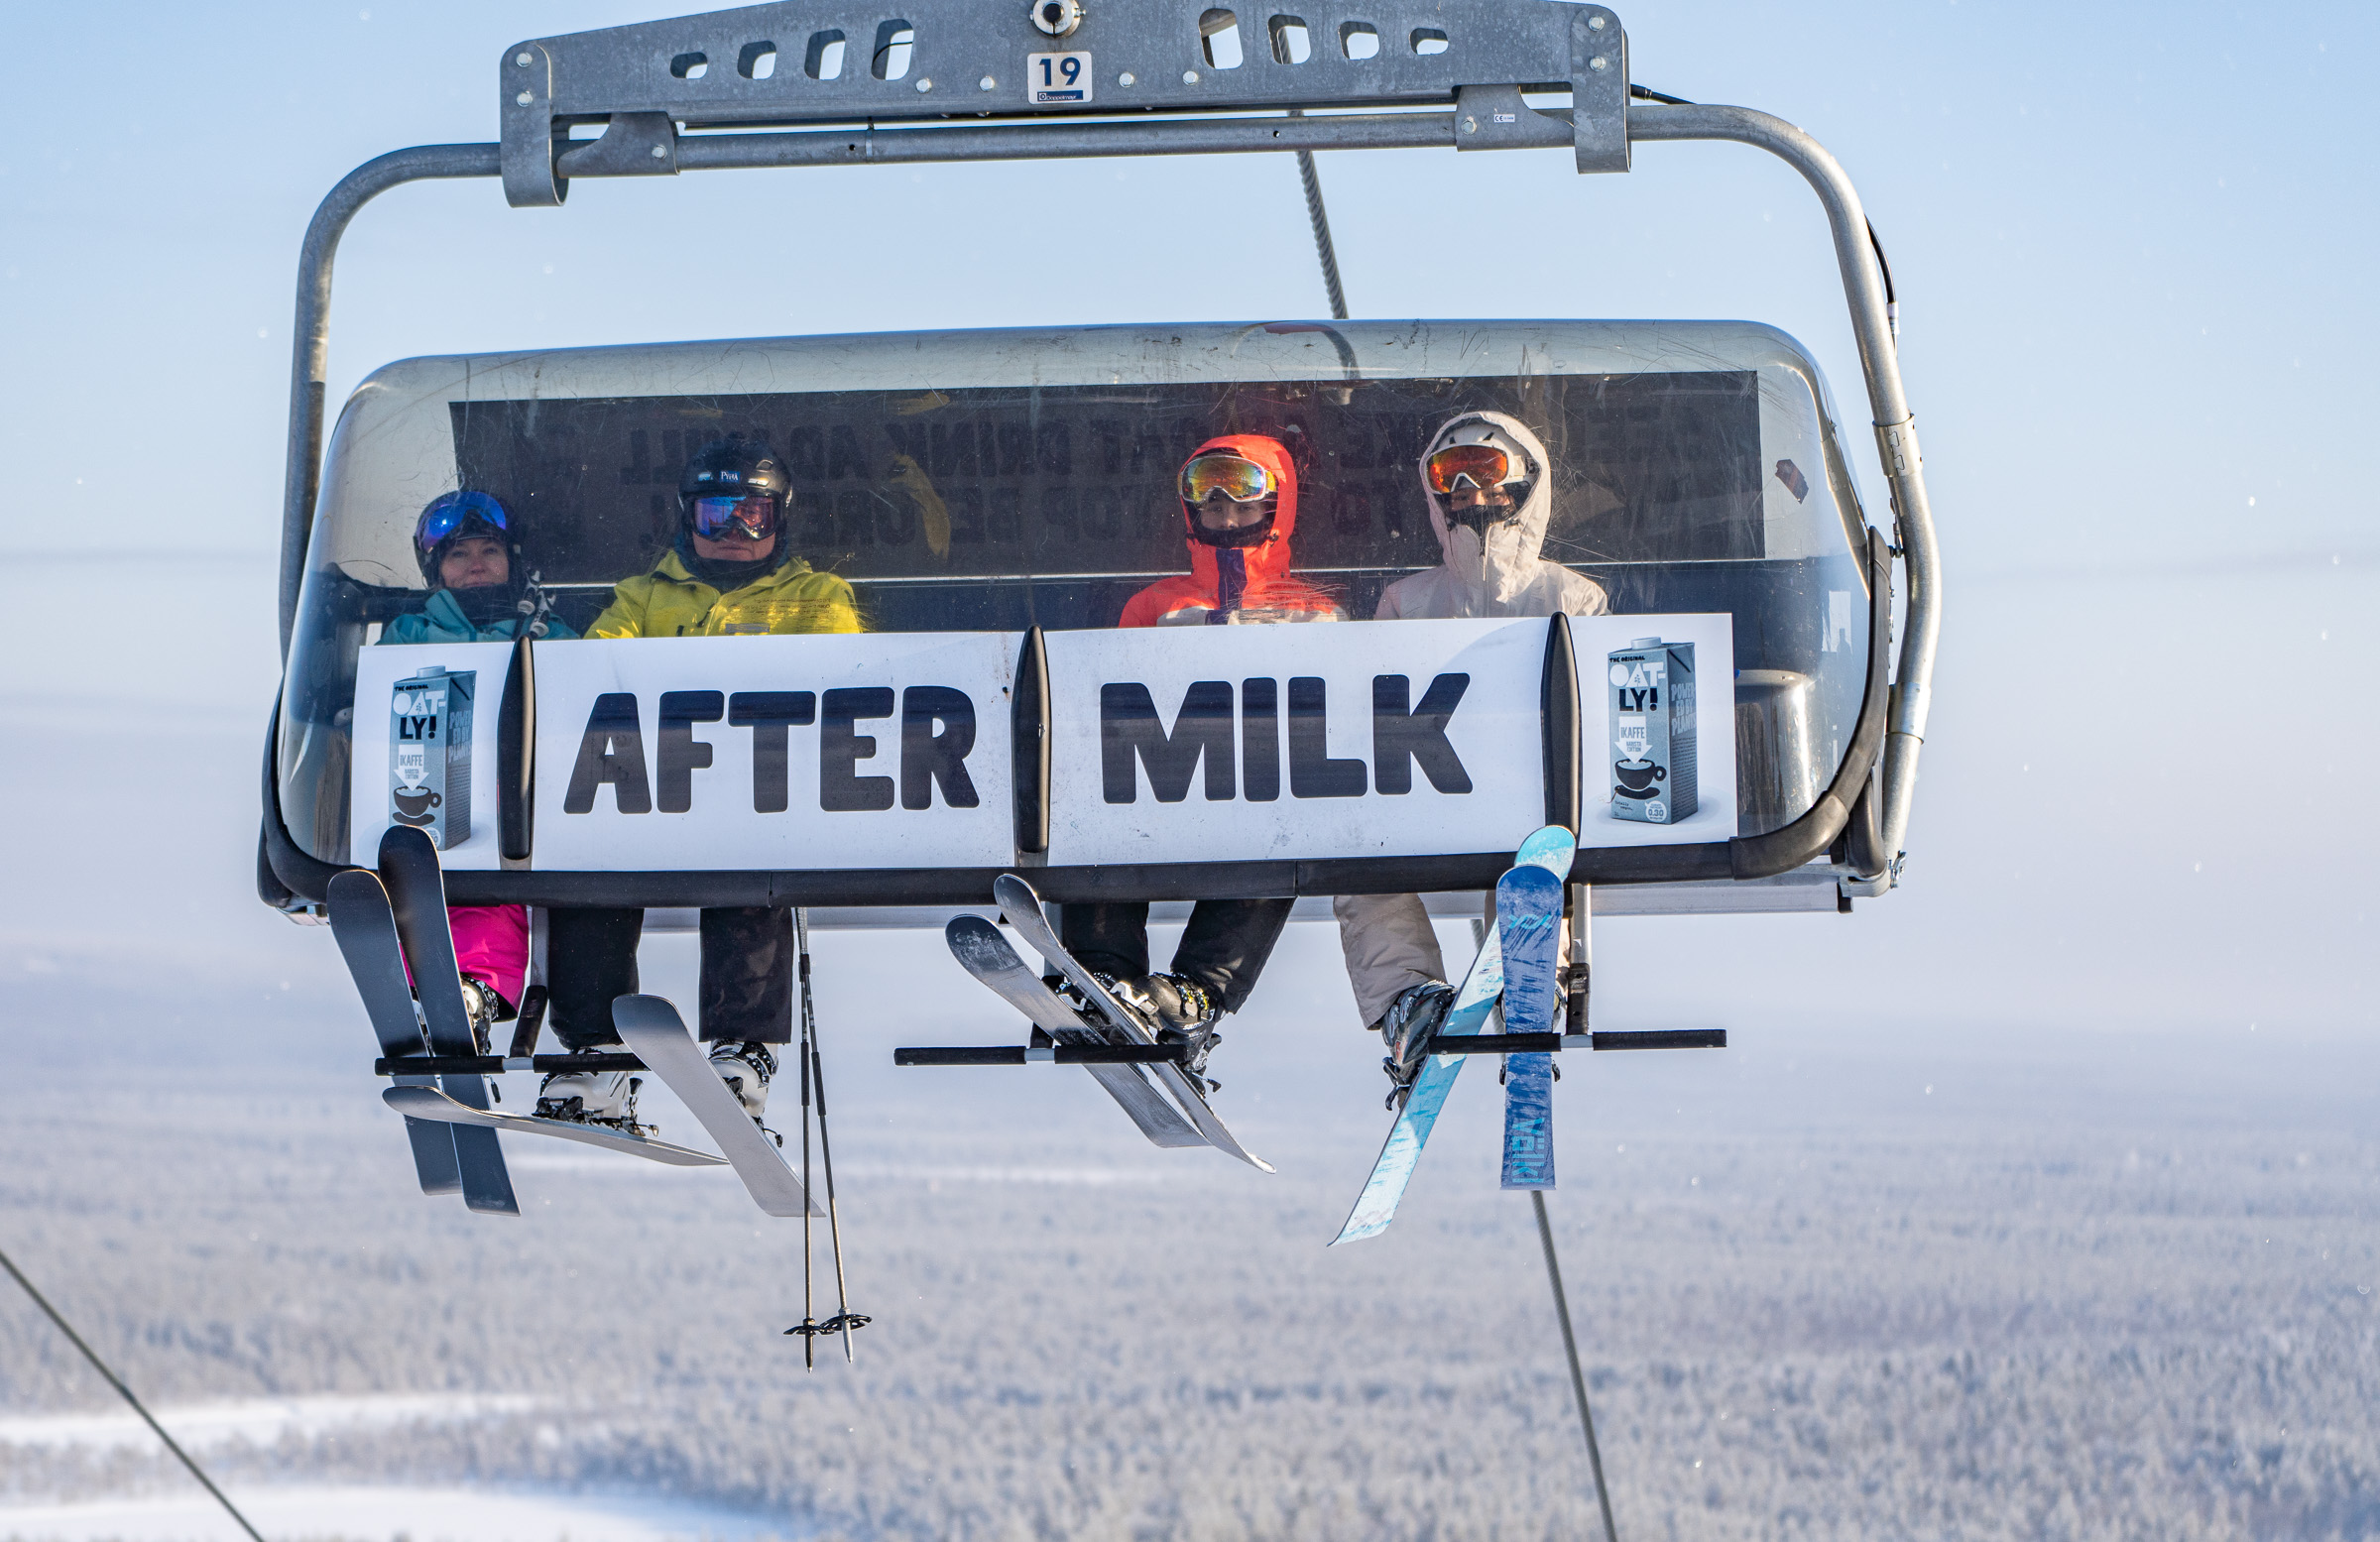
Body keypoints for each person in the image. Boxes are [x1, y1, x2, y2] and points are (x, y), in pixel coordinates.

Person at [535, 435, 862, 1129]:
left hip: (757, 787)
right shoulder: (644, 596)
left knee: (751, 876)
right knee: (591, 876)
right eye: (719, 515)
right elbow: (597, 664)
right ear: (688, 518)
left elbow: (839, 666)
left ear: (780, 520)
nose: (737, 532)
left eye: (754, 516)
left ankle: (743, 1047)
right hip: (650, 783)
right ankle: (597, 1052)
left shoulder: (813, 597)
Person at [1337, 412, 1607, 1104]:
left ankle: (1531, 980)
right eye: (1446, 476)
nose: (1465, 490)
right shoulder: (1408, 601)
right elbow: (1372, 704)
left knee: (1538, 856)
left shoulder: (1571, 597)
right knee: (1356, 851)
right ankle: (1409, 1002)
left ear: (1523, 482)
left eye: (1483, 472)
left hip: (1530, 794)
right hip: (1429, 787)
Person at [1059, 434, 1347, 1086]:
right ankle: (1106, 968)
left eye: (1241, 494)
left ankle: (1193, 993)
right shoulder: (1156, 606)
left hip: (1260, 784)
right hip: (1166, 776)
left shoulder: (1314, 611)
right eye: (1206, 495)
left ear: (1276, 502)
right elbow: (1114, 703)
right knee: (1097, 807)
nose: (1223, 511)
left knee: (1285, 834)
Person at [379, 490, 577, 1044]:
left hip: (519, 798)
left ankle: (477, 992)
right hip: (428, 787)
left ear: (512, 559)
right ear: (435, 569)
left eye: (489, 550)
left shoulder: (548, 636)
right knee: (427, 875)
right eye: (458, 555)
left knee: (502, 873)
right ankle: (439, 991)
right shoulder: (407, 636)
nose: (477, 565)